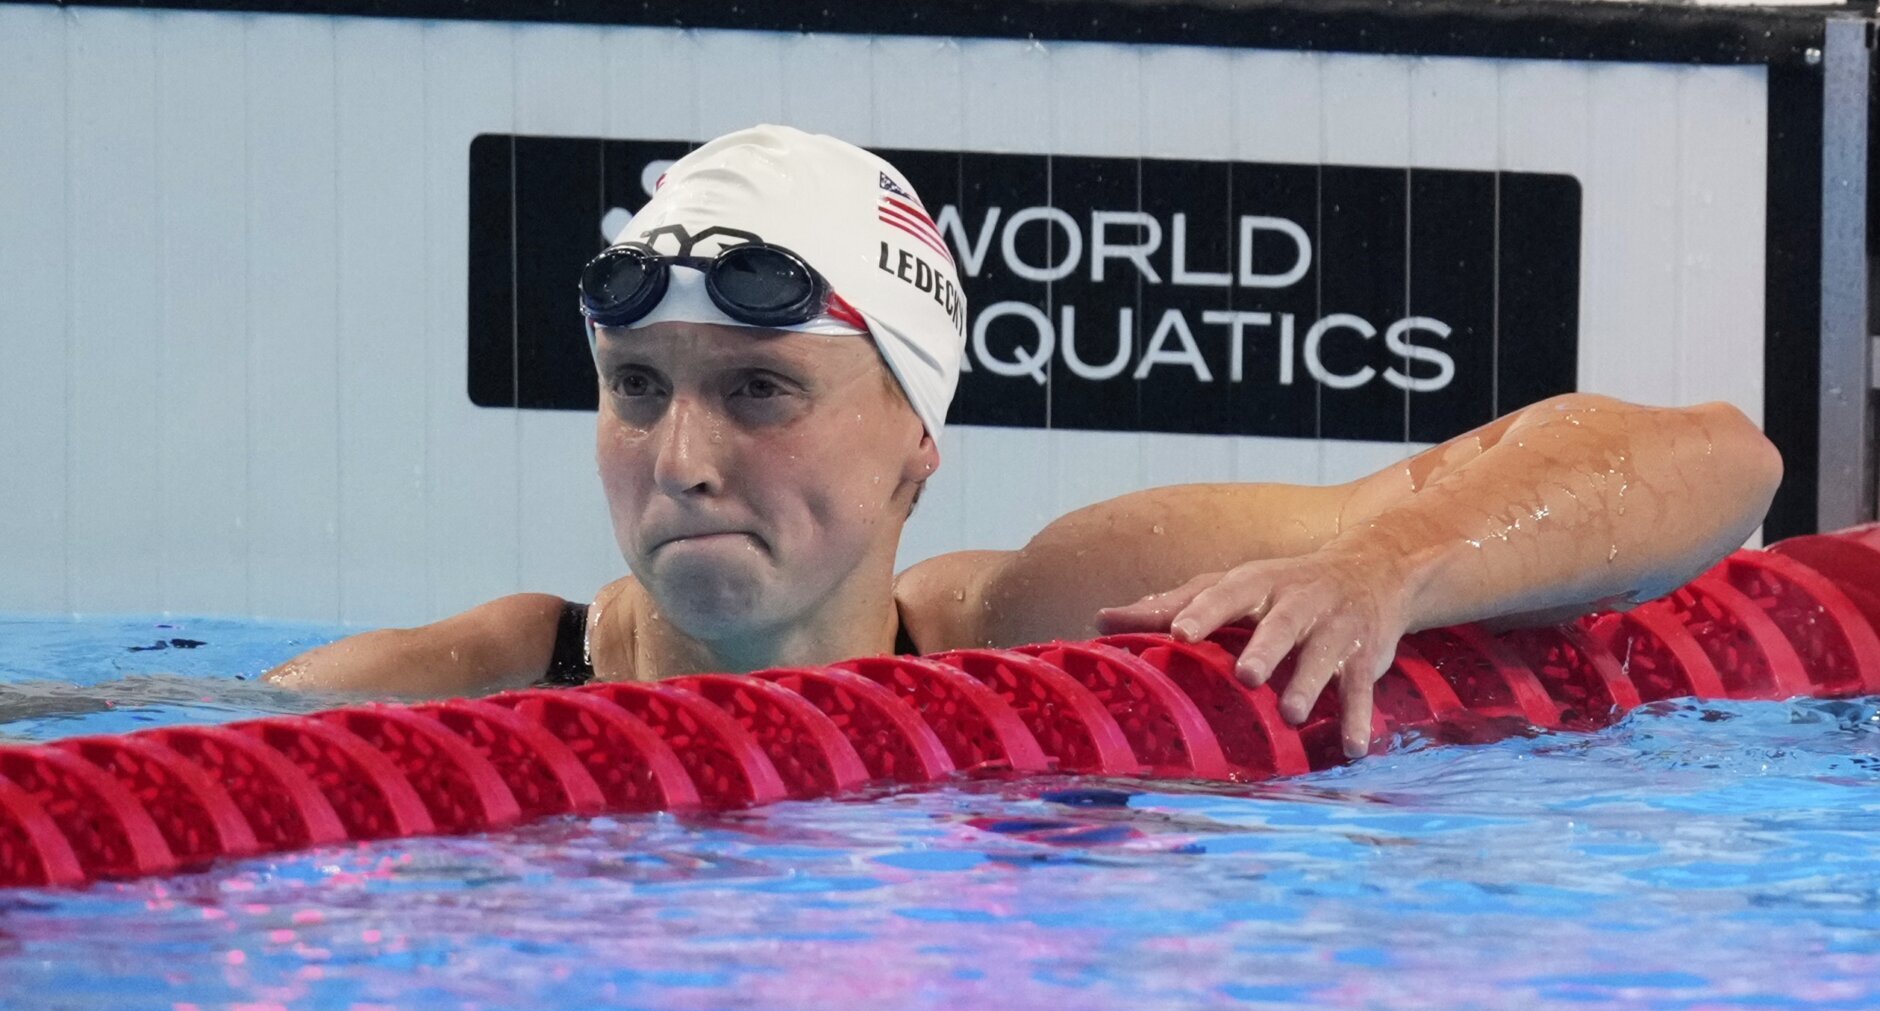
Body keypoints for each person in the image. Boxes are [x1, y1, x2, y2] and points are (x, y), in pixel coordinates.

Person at [265, 125, 1783, 759]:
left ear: (917, 434)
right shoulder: (465, 684)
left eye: (761, 389)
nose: (683, 460)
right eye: (639, 388)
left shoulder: (1065, 618)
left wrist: (1389, 568)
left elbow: (1722, 457)